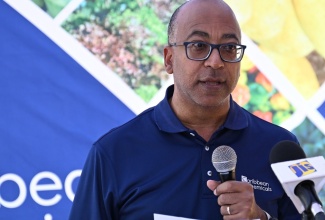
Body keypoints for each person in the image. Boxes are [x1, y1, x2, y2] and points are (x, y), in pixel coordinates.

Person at [69, 0, 301, 219]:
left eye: (229, 48)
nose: (216, 62)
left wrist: (260, 217)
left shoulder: (282, 147)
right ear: (169, 59)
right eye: (199, 46)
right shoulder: (113, 153)